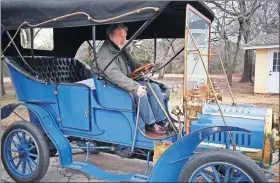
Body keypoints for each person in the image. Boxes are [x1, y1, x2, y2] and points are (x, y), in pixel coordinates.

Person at [95, 23, 167, 134]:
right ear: (110, 36)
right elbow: (115, 75)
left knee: (154, 87)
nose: (124, 39)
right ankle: (150, 125)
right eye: (120, 36)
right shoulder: (104, 55)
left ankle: (161, 121)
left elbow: (132, 64)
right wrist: (135, 87)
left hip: (126, 83)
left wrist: (143, 67)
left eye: (125, 36)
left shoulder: (119, 50)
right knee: (141, 92)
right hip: (113, 88)